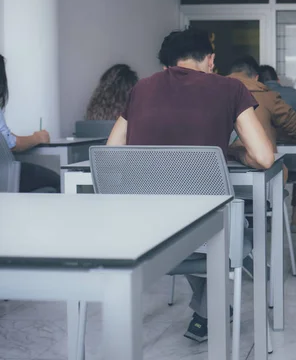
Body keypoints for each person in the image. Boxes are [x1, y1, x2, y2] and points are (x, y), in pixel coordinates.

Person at [107, 28, 274, 343]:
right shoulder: (230, 87)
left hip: (144, 235)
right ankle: (211, 310)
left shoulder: (141, 89)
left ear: (166, 66)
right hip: (204, 235)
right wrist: (233, 149)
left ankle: (208, 309)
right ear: (210, 59)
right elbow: (265, 157)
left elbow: (111, 152)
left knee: (192, 228)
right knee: (229, 227)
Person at [258, 64, 296, 229]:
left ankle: (266, 217)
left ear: (257, 80)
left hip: (265, 163)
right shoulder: (292, 93)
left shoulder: (254, 95)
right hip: (293, 162)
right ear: (277, 79)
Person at [227, 56, 296, 161]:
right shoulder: (267, 96)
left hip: (215, 169)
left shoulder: (215, 92)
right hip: (263, 172)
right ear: (256, 78)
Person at [0, 54, 60, 193]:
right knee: (57, 180)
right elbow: (10, 143)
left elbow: (4, 137)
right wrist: (37, 138)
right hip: (3, 174)